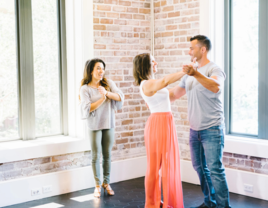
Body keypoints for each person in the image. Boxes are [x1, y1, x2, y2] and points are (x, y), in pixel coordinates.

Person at [169, 35, 231, 208]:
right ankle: (209, 202)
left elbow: (215, 87)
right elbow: (174, 94)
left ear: (202, 50)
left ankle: (223, 206)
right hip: (194, 129)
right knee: (200, 168)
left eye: (192, 48)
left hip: (212, 128)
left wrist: (195, 73)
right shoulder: (189, 73)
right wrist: (151, 93)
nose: (189, 51)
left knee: (215, 170)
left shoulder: (214, 69)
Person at [133, 53, 185, 208]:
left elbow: (173, 94)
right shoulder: (146, 84)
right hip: (157, 124)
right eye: (151, 60)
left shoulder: (154, 85)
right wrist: (185, 72)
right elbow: (164, 81)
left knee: (168, 164)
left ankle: (165, 202)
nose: (155, 62)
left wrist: (188, 80)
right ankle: (152, 203)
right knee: (155, 167)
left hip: (167, 122)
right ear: (145, 65)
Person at [79, 58, 124, 198]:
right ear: (91, 71)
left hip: (108, 124)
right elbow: (87, 108)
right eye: (98, 68)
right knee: (95, 156)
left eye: (102, 68)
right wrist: (102, 99)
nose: (101, 71)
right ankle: (97, 185)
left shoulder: (108, 83)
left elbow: (120, 97)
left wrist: (107, 93)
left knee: (107, 155)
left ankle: (106, 183)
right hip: (94, 126)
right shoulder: (85, 89)